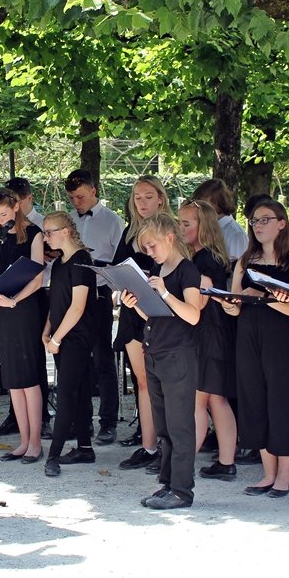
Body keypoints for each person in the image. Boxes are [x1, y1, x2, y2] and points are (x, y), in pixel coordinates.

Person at [221, 200, 289, 498]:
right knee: (253, 401)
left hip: (281, 339)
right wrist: (232, 302)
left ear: (282, 223)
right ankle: (267, 473)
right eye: (255, 221)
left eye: (265, 220)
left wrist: (268, 297)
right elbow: (233, 306)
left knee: (281, 402)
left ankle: (283, 475)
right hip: (248, 336)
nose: (258, 225)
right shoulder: (244, 261)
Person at [120, 213, 203, 509]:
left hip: (178, 355)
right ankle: (168, 484)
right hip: (155, 350)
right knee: (164, 425)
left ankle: (182, 489)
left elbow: (193, 315)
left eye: (152, 246)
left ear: (169, 237)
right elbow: (157, 315)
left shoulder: (187, 270)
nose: (149, 253)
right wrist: (136, 305)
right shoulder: (158, 267)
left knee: (180, 426)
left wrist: (165, 291)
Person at [177, 199, 238, 481]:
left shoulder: (203, 260)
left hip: (207, 334)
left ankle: (183, 467)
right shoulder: (211, 257)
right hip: (216, 333)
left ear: (204, 227)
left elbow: (199, 303)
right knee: (216, 399)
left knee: (198, 402)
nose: (180, 228)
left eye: (186, 224)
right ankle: (226, 462)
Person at [113, 176, 171, 471]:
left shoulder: (170, 230)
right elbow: (117, 269)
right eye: (137, 197)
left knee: (164, 382)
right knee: (143, 380)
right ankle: (148, 446)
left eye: (148, 196)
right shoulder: (129, 232)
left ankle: (168, 446)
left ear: (161, 198)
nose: (142, 202)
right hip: (132, 310)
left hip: (161, 310)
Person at [0, 187, 46, 463]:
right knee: (13, 379)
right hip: (3, 310)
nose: (0, 219)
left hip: (25, 309)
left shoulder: (34, 234)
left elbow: (37, 276)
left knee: (29, 377)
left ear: (16, 208)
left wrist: (16, 300)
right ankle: (23, 441)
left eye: (4, 213)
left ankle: (35, 442)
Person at [65, 169, 124, 445]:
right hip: (74, 293)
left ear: (94, 191)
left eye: (80, 197)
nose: (76, 202)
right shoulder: (69, 221)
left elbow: (119, 262)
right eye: (72, 198)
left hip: (99, 294)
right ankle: (82, 422)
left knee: (103, 359)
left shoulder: (113, 221)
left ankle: (108, 422)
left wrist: (102, 270)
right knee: (79, 360)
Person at [41, 212, 98, 478]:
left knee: (65, 394)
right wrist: (47, 331)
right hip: (61, 336)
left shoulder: (82, 261)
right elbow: (57, 302)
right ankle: (85, 447)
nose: (45, 237)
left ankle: (53, 455)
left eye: (49, 232)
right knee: (80, 390)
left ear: (65, 231)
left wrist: (56, 338)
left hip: (77, 337)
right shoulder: (60, 263)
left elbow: (78, 307)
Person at [193, 179, 248, 262]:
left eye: (203, 203)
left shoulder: (236, 234)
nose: (198, 208)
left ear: (217, 203)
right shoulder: (205, 227)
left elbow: (237, 270)